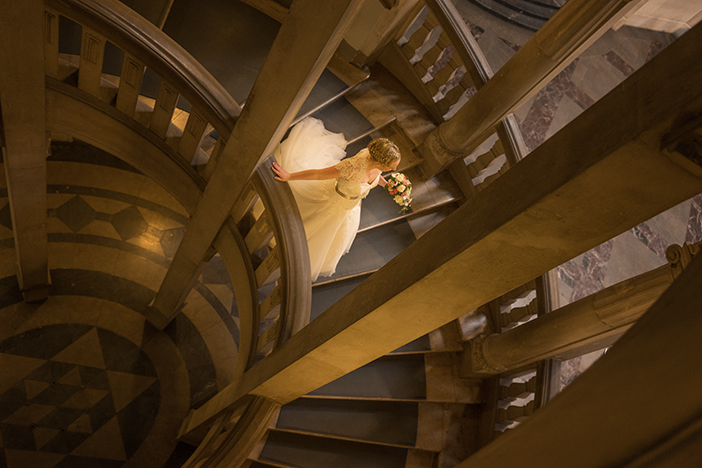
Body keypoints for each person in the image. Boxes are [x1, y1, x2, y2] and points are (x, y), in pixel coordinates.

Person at [272, 117, 401, 281]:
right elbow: (319, 174)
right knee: (309, 231)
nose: (394, 169)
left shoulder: (376, 162)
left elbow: (376, 176)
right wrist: (289, 176)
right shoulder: (352, 167)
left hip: (351, 208)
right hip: (333, 204)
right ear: (378, 161)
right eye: (391, 167)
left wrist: (387, 185)